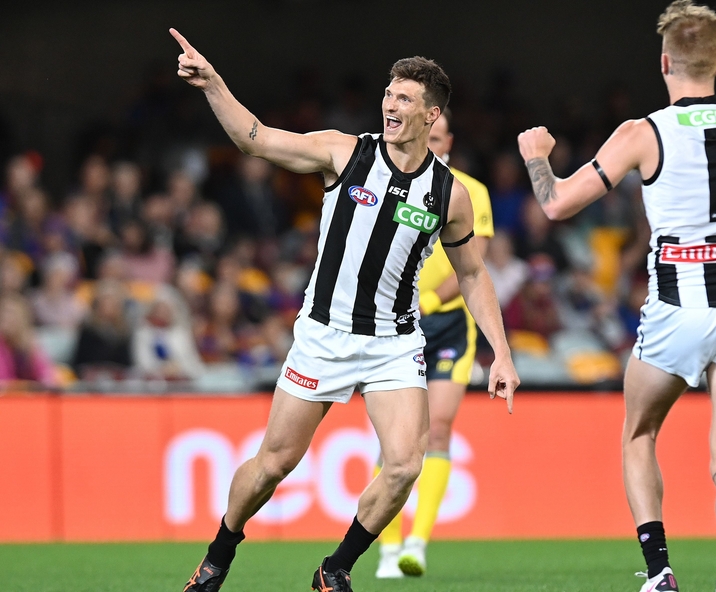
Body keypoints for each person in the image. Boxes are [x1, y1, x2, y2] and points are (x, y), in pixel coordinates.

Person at [170, 28, 518, 592]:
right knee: (274, 464)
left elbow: (473, 274)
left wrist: (501, 352)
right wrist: (213, 85)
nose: (390, 104)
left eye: (405, 98)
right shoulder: (346, 151)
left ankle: (334, 570)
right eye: (388, 93)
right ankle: (219, 553)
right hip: (324, 335)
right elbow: (256, 139)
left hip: (394, 343)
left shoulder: (448, 194)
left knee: (405, 465)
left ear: (431, 115)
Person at [516, 2, 716, 591]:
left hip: (679, 306)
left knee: (639, 432)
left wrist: (536, 157)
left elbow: (555, 204)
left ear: (664, 62)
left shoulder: (642, 133)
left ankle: (659, 571)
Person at [374, 110, 494, 578]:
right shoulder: (390, 182)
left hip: (447, 325)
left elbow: (473, 266)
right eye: (430, 137)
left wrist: (428, 300)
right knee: (393, 439)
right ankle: (386, 548)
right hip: (395, 322)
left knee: (438, 429)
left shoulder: (469, 191)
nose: (435, 144)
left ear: (449, 141)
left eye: (441, 138)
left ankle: (417, 542)